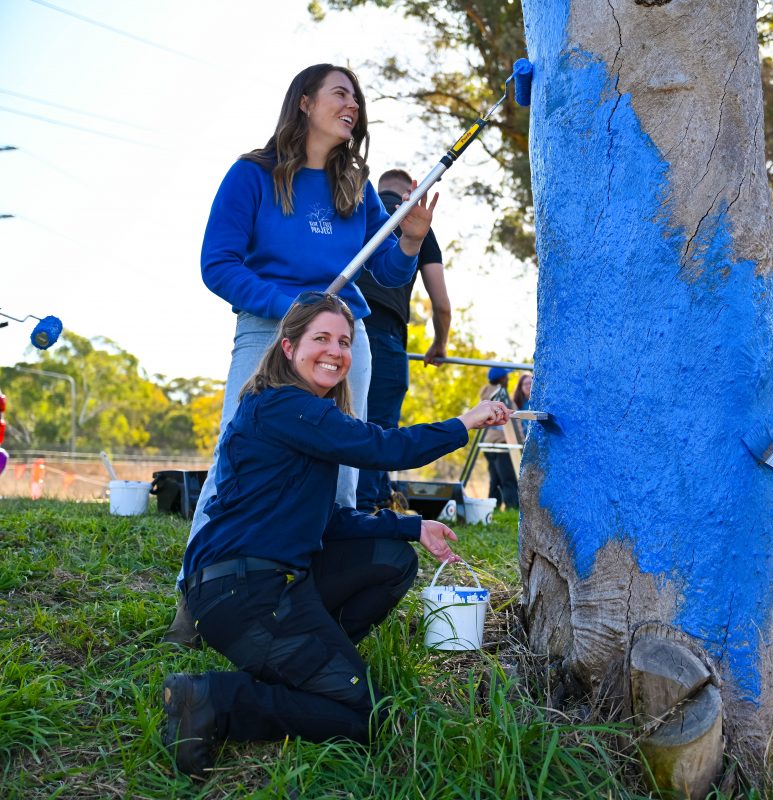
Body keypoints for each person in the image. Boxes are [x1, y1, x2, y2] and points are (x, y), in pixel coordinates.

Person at [161, 294, 510, 778]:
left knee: (392, 557)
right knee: (365, 717)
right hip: (245, 593)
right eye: (320, 338)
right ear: (288, 347)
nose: (336, 351)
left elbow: (329, 522)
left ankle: (312, 658)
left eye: (344, 341)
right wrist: (464, 422)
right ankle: (214, 699)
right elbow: (383, 445)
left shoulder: (301, 419)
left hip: (264, 585)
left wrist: (412, 525)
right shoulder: (284, 405)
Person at [164, 64, 439, 647]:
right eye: (342, 93)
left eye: (357, 98)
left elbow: (385, 271)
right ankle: (195, 597)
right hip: (270, 327)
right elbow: (219, 264)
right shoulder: (253, 176)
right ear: (306, 102)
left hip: (346, 334)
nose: (353, 105)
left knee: (340, 466)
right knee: (233, 458)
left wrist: (410, 238)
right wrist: (296, 309)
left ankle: (308, 595)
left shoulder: (357, 187)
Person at [355, 167, 452, 514]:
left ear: (380, 189)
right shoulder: (417, 221)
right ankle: (366, 515)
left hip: (337, 328)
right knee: (378, 430)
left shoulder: (356, 206)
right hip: (383, 334)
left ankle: (375, 501)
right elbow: (440, 304)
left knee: (338, 424)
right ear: (406, 190)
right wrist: (439, 344)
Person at [480, 367, 519, 510]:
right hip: (502, 444)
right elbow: (510, 421)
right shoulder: (500, 396)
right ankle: (512, 508)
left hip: (489, 444)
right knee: (508, 479)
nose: (508, 380)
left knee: (495, 480)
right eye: (506, 377)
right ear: (501, 379)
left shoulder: (487, 396)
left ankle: (492, 509)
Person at [512, 372, 533, 438]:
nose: (529, 386)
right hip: (524, 436)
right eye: (526, 384)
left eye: (531, 383)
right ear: (520, 387)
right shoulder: (516, 403)